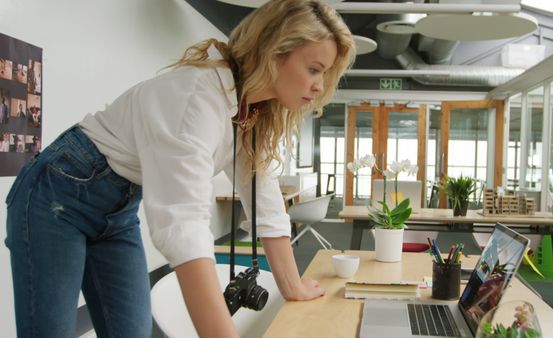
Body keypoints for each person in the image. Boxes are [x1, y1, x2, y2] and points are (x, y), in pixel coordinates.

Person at [4, 0, 355, 337]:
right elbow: (185, 226)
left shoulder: (248, 109)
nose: (319, 86)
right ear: (274, 52)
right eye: (314, 69)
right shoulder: (195, 97)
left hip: (117, 209)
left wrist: (291, 286)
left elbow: (262, 197)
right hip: (56, 195)